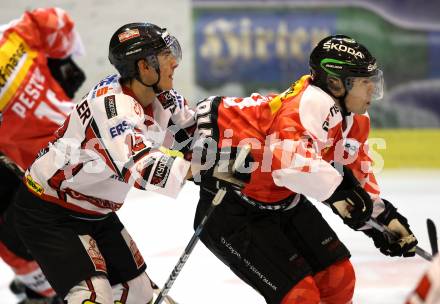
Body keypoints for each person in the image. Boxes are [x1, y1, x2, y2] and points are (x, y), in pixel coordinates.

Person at [191, 35, 418, 304]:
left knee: (339, 279)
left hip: (282, 202)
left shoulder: (354, 119)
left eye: (372, 80)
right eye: (364, 82)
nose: (372, 90)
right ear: (335, 83)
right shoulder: (308, 104)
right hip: (232, 209)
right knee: (300, 297)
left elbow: (355, 177)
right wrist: (341, 195)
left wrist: (384, 219)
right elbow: (289, 164)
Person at [13, 22, 196, 303]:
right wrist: (203, 169)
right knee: (92, 296)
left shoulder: (157, 93)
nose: (174, 61)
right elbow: (145, 169)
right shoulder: (113, 110)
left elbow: (193, 130)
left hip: (95, 212)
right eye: (164, 55)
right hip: (50, 212)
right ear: (144, 66)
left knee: (140, 295)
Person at [0, 7, 85, 303]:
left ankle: (43, 288)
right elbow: (57, 23)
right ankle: (43, 289)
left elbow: (57, 26)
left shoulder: (16, 36)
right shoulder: (15, 35)